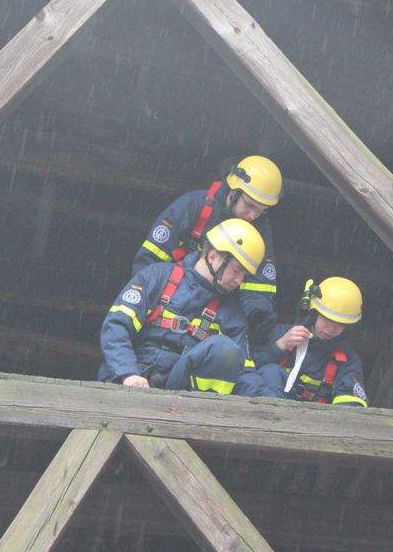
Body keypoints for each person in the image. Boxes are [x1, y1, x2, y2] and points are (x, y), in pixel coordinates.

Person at [99, 218, 264, 396]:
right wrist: (128, 373)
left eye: (244, 275)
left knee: (225, 350)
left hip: (181, 393)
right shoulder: (157, 276)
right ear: (212, 256)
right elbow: (117, 326)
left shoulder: (232, 315)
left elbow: (244, 372)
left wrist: (269, 403)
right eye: (237, 270)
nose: (239, 281)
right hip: (133, 377)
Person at [133, 155, 282, 332]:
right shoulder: (193, 206)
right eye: (249, 205)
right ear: (233, 191)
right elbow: (148, 263)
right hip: (169, 300)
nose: (252, 216)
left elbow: (257, 287)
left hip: (218, 315)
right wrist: (144, 301)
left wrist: (258, 315)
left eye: (260, 211)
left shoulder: (260, 231)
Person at [243, 277, 369, 407]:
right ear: (314, 313)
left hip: (315, 418)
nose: (331, 329)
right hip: (267, 413)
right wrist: (280, 346)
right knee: (272, 372)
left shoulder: (347, 361)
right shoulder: (282, 334)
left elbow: (351, 405)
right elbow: (246, 372)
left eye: (340, 324)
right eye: (327, 319)